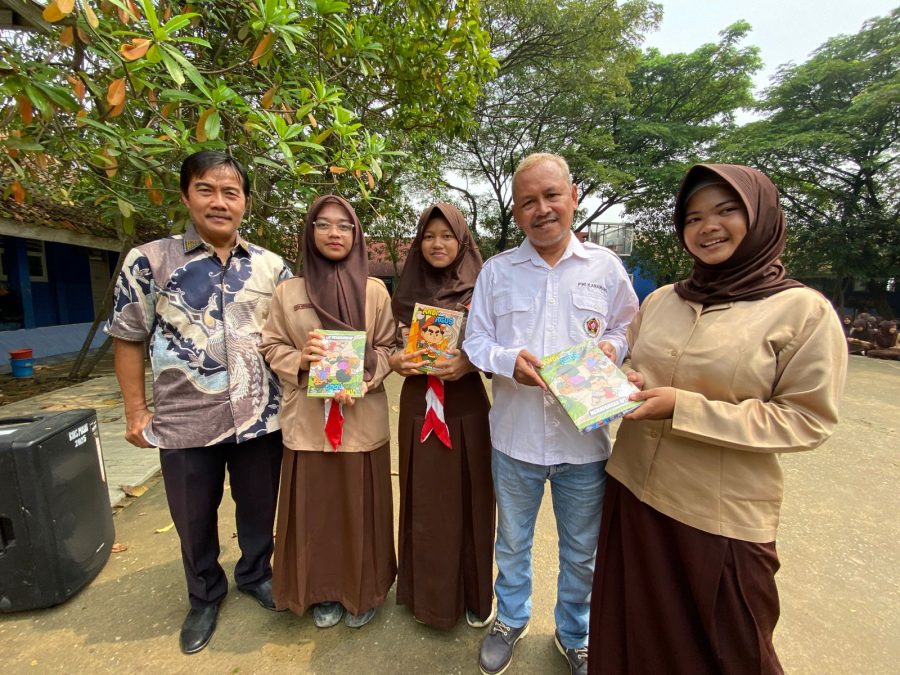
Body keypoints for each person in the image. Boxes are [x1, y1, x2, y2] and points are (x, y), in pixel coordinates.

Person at [587, 164, 847, 674]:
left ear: (761, 216)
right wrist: (630, 380)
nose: (708, 226)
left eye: (727, 211)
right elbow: (636, 365)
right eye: (694, 216)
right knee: (634, 633)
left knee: (731, 649)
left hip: (719, 517)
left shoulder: (801, 312)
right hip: (633, 494)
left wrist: (682, 407)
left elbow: (804, 419)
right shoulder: (664, 300)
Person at [107, 150, 291, 654]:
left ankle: (255, 574)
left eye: (230, 192)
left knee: (259, 506)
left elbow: (292, 333)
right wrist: (135, 410)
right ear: (187, 195)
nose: (219, 202)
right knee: (192, 516)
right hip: (186, 420)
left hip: (260, 418)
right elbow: (127, 337)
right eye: (206, 190)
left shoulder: (272, 266)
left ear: (245, 203)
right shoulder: (149, 261)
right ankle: (204, 593)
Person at [464, 153, 639, 675]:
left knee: (582, 550)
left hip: (582, 443)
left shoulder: (605, 268)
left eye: (551, 196)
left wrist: (612, 349)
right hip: (514, 439)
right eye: (527, 202)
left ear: (573, 195)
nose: (541, 209)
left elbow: (626, 326)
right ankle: (510, 620)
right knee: (512, 541)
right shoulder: (497, 272)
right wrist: (505, 361)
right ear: (515, 212)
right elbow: (475, 341)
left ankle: (575, 633)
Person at [259, 195, 396, 629]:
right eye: (324, 225)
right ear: (310, 232)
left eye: (345, 226)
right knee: (316, 513)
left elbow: (389, 347)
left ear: (356, 235)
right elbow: (270, 345)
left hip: (361, 419)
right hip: (309, 423)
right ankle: (322, 593)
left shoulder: (374, 291)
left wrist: (366, 373)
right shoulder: (289, 292)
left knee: (361, 510)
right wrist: (301, 358)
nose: (334, 234)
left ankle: (365, 591)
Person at [389, 203, 495, 630]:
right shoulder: (403, 290)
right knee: (426, 502)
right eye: (429, 236)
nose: (438, 244)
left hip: (466, 406)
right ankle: (427, 599)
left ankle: (473, 593)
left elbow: (498, 351)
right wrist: (396, 361)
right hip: (419, 405)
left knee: (473, 498)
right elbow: (383, 347)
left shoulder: (484, 288)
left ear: (462, 240)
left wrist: (469, 361)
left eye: (447, 236)